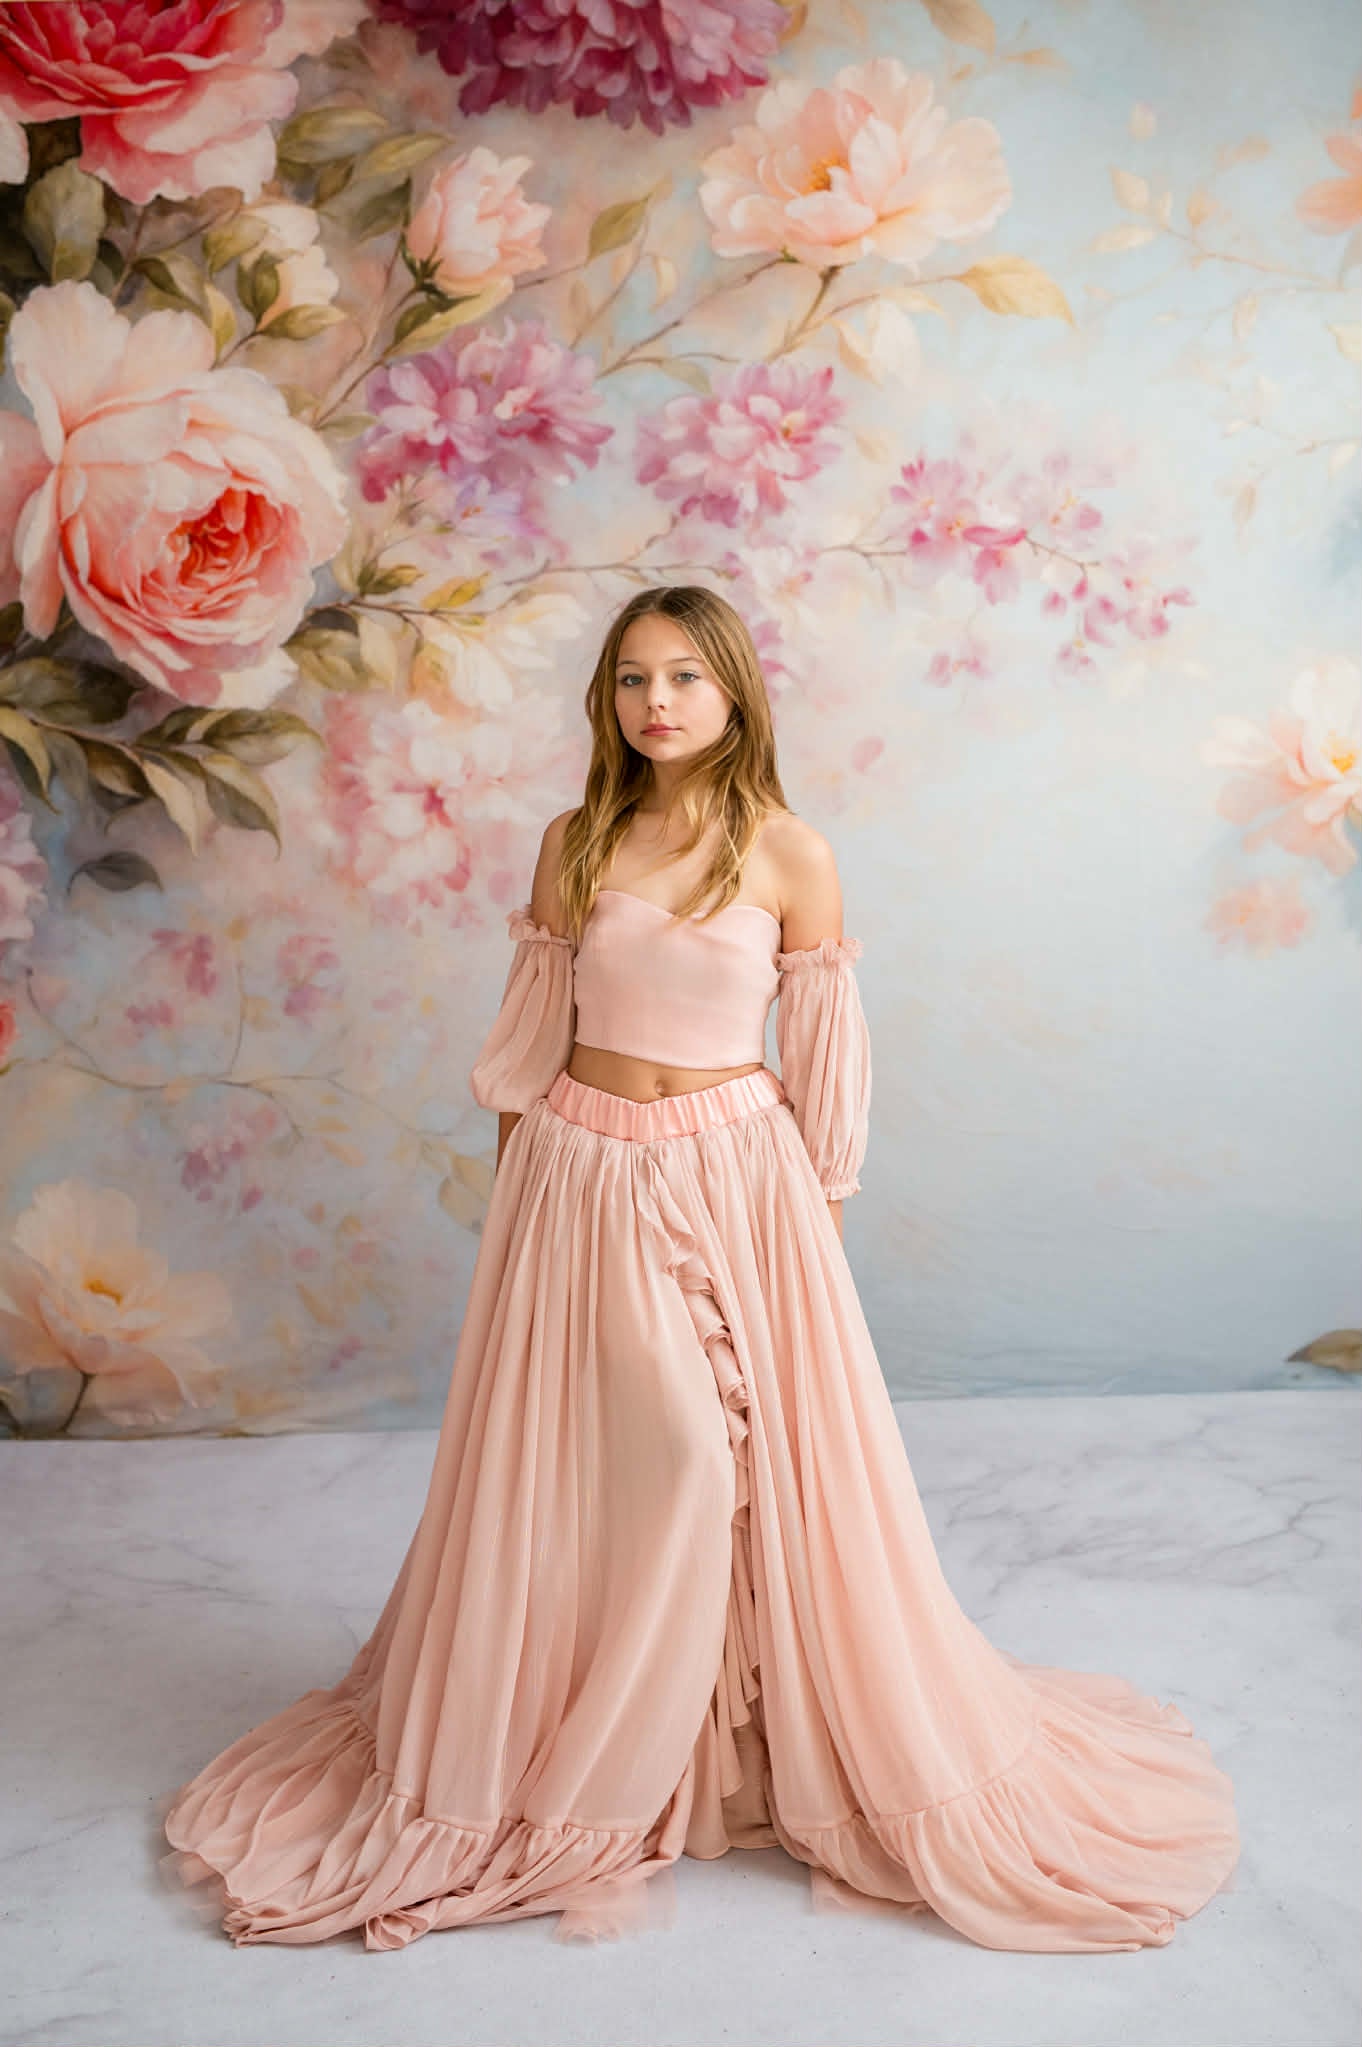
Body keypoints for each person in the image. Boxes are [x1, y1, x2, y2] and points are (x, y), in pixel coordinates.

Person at [158, 583, 1240, 1952]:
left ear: (734, 693)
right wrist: (523, 1218)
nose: (655, 702)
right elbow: (532, 1041)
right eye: (630, 678)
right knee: (608, 1465)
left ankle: (703, 1753)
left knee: (706, 1460)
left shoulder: (789, 853)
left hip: (735, 1180)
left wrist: (811, 1251)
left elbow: (826, 1069)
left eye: (682, 676)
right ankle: (607, 1747)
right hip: (582, 1174)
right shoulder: (575, 842)